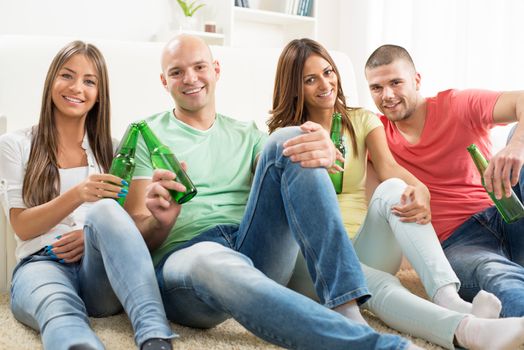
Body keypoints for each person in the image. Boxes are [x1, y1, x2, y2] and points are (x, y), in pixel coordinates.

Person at [88, 33, 421, 349]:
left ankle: (346, 306)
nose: (190, 78)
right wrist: (159, 222)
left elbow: (280, 167)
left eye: (199, 67)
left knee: (290, 139)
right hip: (187, 264)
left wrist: (314, 142)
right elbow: (127, 242)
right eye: (177, 72)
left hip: (251, 248)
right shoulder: (146, 136)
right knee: (212, 259)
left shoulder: (246, 133)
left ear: (215, 70)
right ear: (165, 81)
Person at [268, 38, 524, 350]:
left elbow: (389, 171)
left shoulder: (363, 121)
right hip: (318, 255)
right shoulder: (281, 141)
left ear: (417, 80)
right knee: (389, 284)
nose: (325, 84)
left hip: (497, 213)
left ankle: (448, 298)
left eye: (328, 72)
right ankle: (466, 323)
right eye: (310, 79)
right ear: (295, 87)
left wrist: (422, 190)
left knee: (395, 189)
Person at [0, 41, 174, 350]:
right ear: (51, 80)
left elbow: (128, 224)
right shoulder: (15, 145)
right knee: (57, 306)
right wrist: (79, 193)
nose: (77, 87)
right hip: (42, 264)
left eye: (89, 81)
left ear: (99, 94)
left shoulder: (115, 148)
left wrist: (91, 234)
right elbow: (22, 227)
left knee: (105, 212)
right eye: (67, 75)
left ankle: (155, 337)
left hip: (100, 275)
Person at [365, 42, 524, 321]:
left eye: (395, 82)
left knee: (517, 133)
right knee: (495, 276)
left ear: (416, 80)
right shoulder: (375, 136)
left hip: (508, 213)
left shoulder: (456, 104)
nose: (387, 95)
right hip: (460, 243)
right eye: (376, 88)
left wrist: (516, 146)